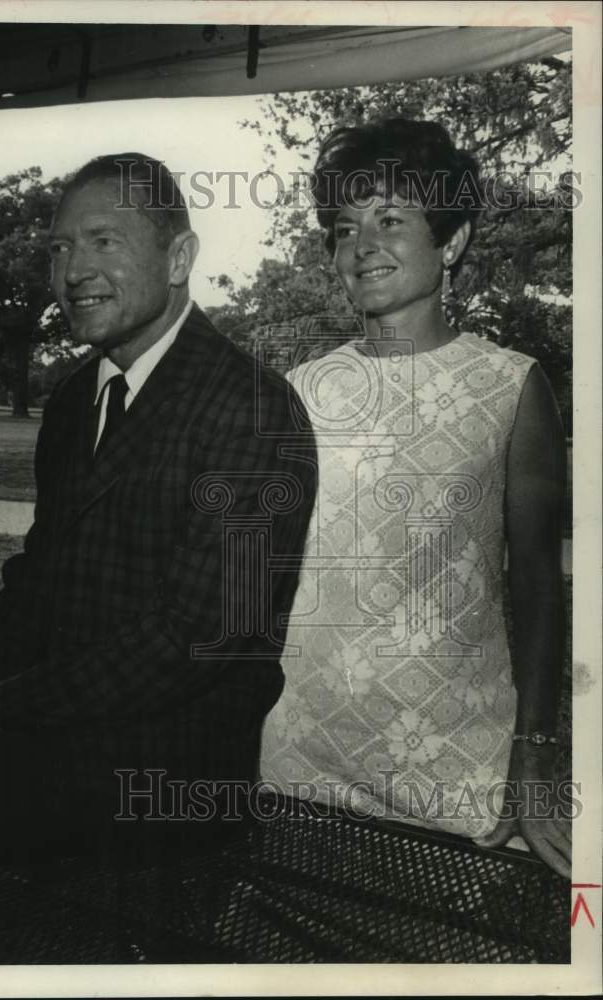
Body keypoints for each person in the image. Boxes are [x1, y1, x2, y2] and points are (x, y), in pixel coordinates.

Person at [0, 153, 317, 889]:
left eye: (104, 241)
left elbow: (195, 635)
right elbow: (35, 579)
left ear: (179, 258)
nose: (73, 270)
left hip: (166, 783)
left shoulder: (255, 407)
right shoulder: (78, 401)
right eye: (59, 249)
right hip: (53, 743)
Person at [261, 119, 571, 878]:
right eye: (343, 228)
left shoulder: (512, 386)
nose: (361, 245)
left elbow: (535, 581)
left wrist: (532, 756)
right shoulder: (297, 393)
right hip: (301, 757)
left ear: (452, 242)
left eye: (391, 220)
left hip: (455, 767)